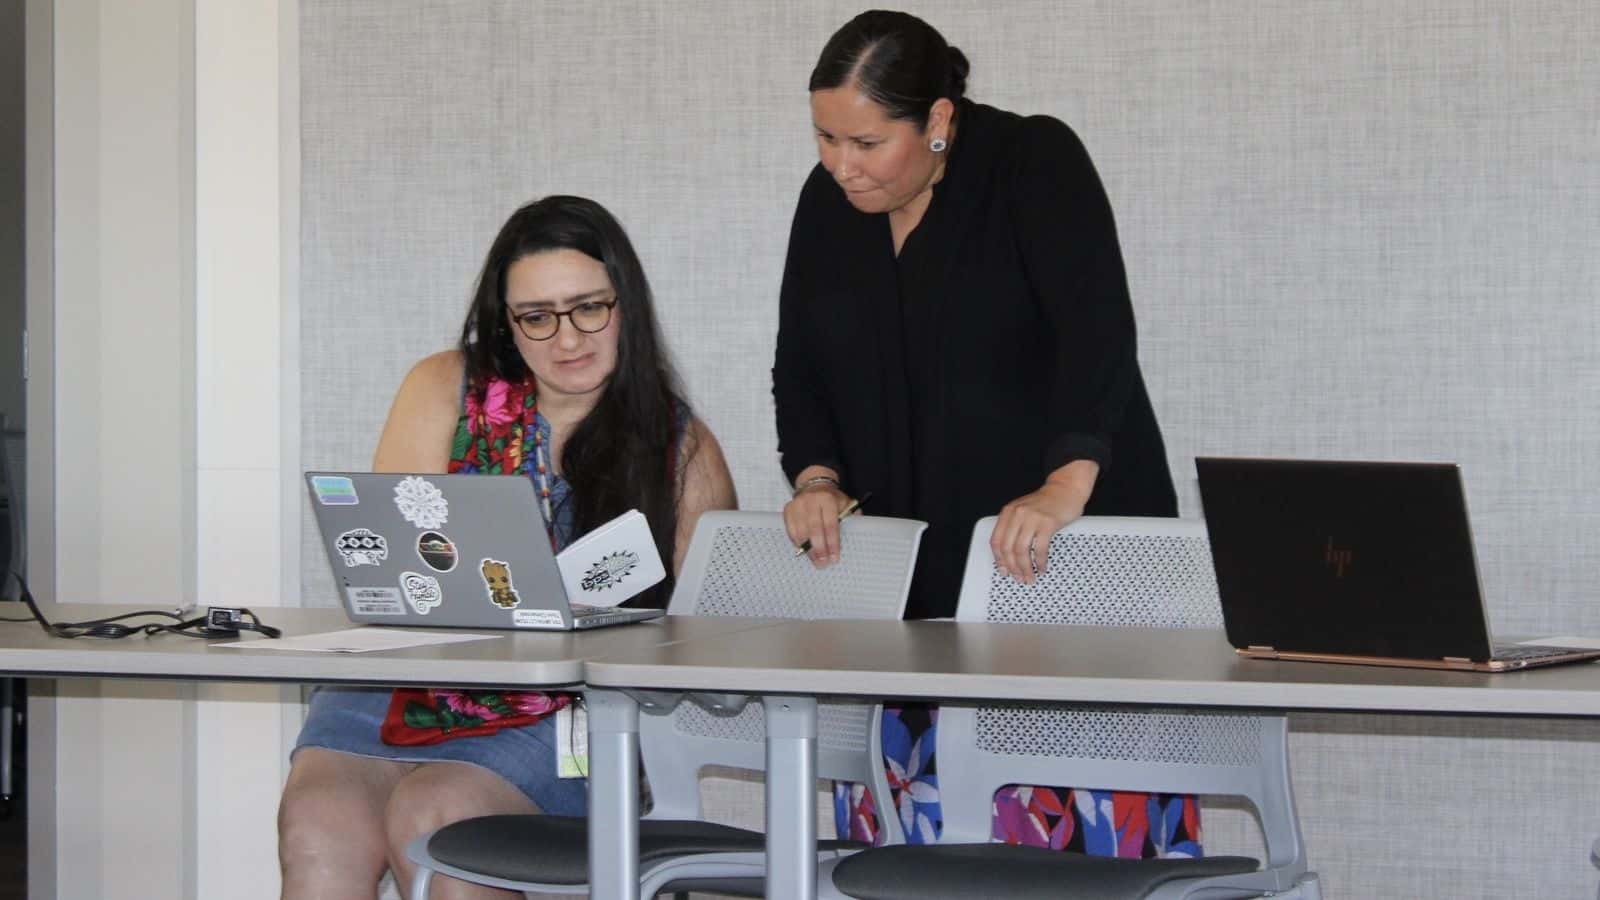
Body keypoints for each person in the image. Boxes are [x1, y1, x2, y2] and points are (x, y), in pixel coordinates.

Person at [774, 11, 1197, 859]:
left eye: (864, 141)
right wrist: (816, 477)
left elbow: (1096, 332)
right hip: (914, 592)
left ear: (936, 119)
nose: (839, 164)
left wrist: (1063, 484)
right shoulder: (828, 206)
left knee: (1065, 852)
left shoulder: (1030, 162)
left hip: (1062, 567)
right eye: (825, 136)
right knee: (910, 855)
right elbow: (801, 365)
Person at [278, 196, 737, 900]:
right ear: (508, 324)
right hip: (409, 682)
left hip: (564, 715)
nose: (567, 338)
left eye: (589, 307)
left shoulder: (681, 452)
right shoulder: (442, 388)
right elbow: (391, 569)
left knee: (435, 816)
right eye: (537, 317)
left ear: (628, 306)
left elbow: (704, 640)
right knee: (317, 819)